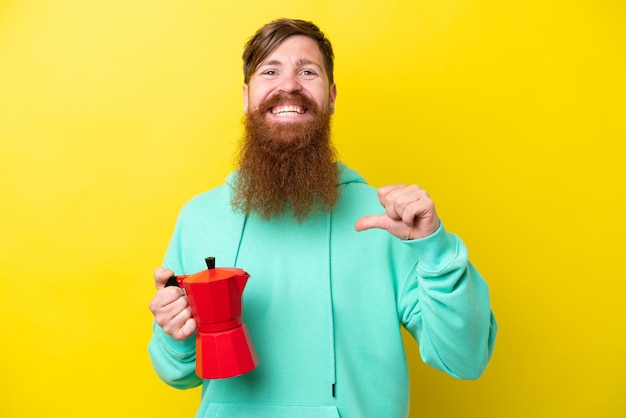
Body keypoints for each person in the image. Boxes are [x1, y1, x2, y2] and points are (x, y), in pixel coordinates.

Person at [148, 18, 497, 418]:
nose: (289, 85)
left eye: (307, 71)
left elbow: (466, 358)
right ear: (246, 96)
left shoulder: (387, 220)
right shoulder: (200, 217)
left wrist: (434, 248)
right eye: (270, 71)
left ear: (331, 96)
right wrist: (173, 333)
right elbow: (177, 373)